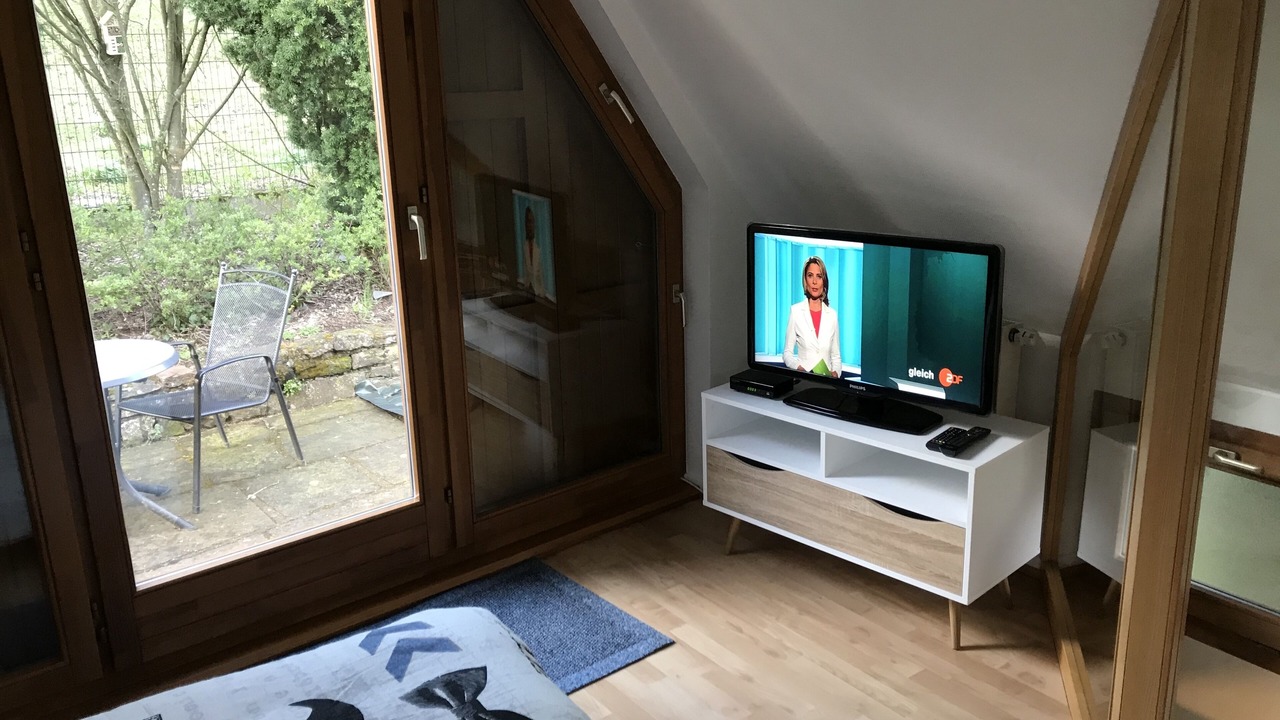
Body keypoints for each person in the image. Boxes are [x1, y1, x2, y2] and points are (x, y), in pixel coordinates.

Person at [783, 256, 841, 377]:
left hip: (827, 384)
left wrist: (835, 374)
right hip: (804, 380)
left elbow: (836, 357)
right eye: (810, 275)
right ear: (805, 280)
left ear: (824, 281)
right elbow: (787, 354)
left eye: (819, 276)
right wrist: (799, 368)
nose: (814, 281)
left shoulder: (832, 315)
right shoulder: (796, 311)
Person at [520, 206, 545, 298]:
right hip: (529, 294)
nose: (529, 225)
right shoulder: (524, 245)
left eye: (531, 221)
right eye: (527, 222)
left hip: (542, 295)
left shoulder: (542, 246)